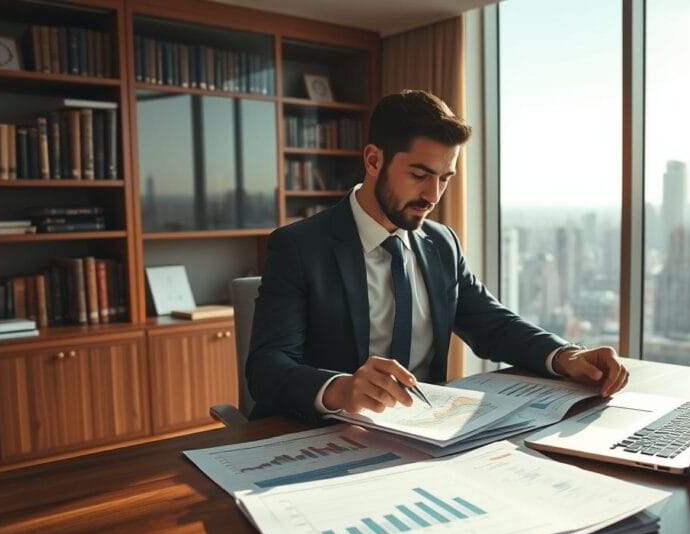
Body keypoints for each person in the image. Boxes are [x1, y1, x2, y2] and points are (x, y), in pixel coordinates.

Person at [246, 89, 628, 423]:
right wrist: (340, 389)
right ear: (374, 160)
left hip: (425, 434)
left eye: (445, 178)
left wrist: (565, 356)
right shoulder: (299, 247)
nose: (433, 196)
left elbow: (493, 325)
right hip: (327, 434)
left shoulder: (441, 242)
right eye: (419, 174)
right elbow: (267, 368)